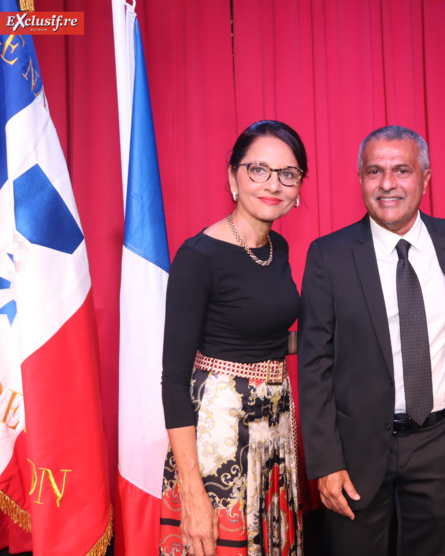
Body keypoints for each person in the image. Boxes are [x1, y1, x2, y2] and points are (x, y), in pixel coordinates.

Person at [298, 125, 445, 555]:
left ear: (425, 178)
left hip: (440, 443)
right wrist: (326, 463)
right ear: (360, 179)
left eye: (402, 170)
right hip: (356, 450)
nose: (387, 184)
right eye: (373, 172)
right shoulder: (328, 255)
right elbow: (313, 366)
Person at [159, 120, 307, 556]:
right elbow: (172, 378)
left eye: (288, 174)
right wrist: (191, 488)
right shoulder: (198, 256)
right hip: (218, 437)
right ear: (232, 177)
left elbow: (266, 339)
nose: (273, 184)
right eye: (258, 169)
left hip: (275, 426)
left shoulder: (277, 249)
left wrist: (336, 338)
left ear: (298, 187)